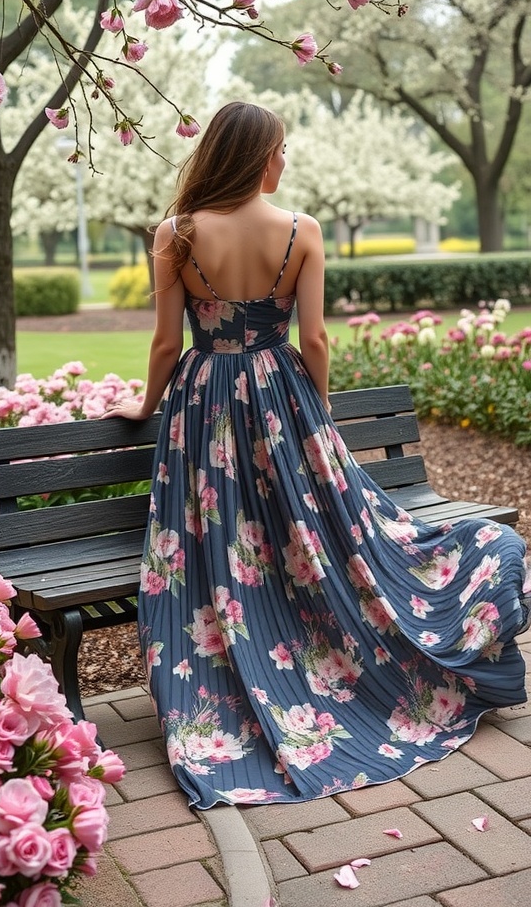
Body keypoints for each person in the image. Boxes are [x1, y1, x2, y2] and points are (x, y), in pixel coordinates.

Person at [104, 101, 530, 809]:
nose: (285, 160)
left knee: (224, 541)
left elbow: (164, 344)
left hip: (204, 402)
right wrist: (317, 415)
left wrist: (145, 407)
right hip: (281, 395)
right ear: (257, 155)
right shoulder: (301, 229)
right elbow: (317, 339)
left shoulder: (175, 232)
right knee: (314, 532)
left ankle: (247, 655)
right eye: (279, 149)